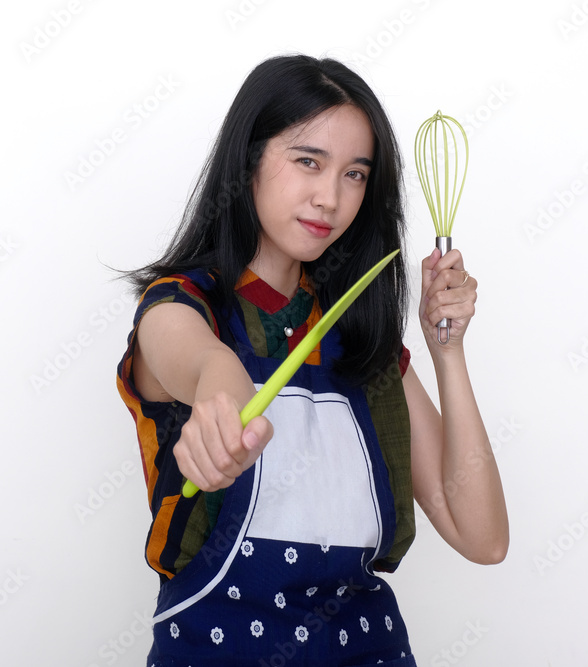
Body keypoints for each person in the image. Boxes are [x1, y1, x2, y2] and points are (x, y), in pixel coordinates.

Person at [116, 54, 508, 666]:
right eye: (308, 161)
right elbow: (203, 362)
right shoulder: (180, 306)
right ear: (249, 159)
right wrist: (221, 404)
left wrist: (447, 353)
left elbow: (483, 538)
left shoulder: (363, 341)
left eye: (355, 174)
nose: (330, 198)